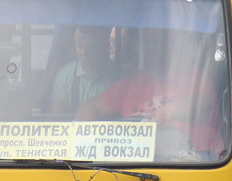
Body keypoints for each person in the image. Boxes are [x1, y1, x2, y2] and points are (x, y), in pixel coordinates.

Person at [76, 28, 223, 156]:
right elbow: (91, 107)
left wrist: (170, 110)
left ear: (172, 45)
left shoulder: (195, 78)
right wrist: (83, 140)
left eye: (159, 42)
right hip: (134, 164)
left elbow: (200, 104)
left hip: (193, 160)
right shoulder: (131, 83)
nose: (153, 48)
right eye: (149, 42)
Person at [49, 26, 123, 115]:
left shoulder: (122, 76)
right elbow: (57, 117)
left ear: (104, 46)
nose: (84, 53)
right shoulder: (64, 75)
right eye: (80, 47)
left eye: (90, 47)